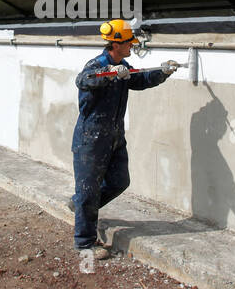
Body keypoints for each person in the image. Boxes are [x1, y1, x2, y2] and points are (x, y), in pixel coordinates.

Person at [70, 19, 179, 261]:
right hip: (92, 138)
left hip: (115, 137)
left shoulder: (124, 64)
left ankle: (79, 206)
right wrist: (109, 75)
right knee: (89, 192)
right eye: (129, 42)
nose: (132, 46)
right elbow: (83, 80)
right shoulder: (97, 65)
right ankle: (84, 243)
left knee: (120, 181)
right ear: (116, 44)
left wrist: (163, 72)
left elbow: (140, 81)